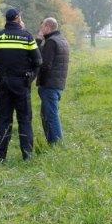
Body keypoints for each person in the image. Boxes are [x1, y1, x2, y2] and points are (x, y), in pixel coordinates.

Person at [0, 9, 42, 161]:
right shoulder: (27, 37)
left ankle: (0, 157)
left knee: (3, 119)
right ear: (18, 18)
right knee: (24, 119)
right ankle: (27, 156)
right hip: (22, 84)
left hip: (3, 83)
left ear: (7, 19)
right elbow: (38, 61)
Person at [35, 17, 69, 145]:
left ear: (47, 27)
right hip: (57, 84)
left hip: (49, 85)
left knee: (51, 115)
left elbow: (43, 62)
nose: (40, 29)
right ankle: (52, 143)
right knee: (46, 114)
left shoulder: (51, 42)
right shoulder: (62, 40)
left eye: (42, 27)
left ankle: (57, 144)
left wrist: (38, 40)